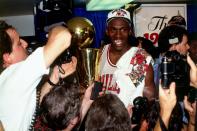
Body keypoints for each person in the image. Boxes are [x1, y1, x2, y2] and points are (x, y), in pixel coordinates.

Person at [0, 20, 72, 131]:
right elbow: (63, 37)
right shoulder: (14, 75)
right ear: (7, 57)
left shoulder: (7, 81)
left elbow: (30, 109)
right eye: (19, 43)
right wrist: (53, 30)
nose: (25, 44)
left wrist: (52, 80)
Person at [99, 8, 156, 107]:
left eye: (123, 30)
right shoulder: (100, 53)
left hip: (128, 119)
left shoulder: (141, 58)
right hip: (101, 118)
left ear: (130, 31)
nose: (118, 35)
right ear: (107, 31)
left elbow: (150, 98)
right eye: (113, 29)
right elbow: (92, 86)